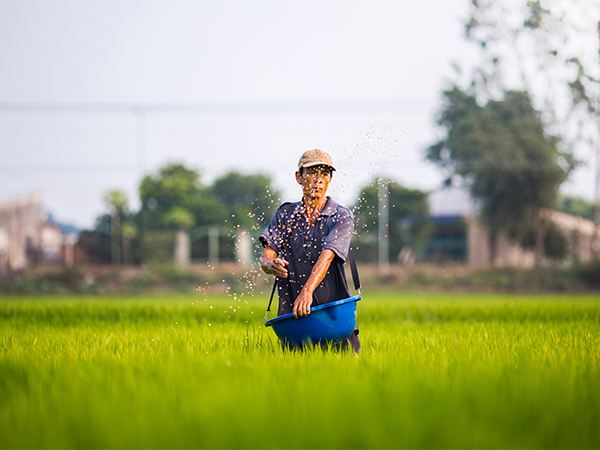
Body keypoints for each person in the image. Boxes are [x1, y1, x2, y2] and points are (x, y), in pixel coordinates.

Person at [259, 149, 360, 353]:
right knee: (298, 380)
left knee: (349, 378)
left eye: (324, 174)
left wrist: (307, 291)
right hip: (295, 319)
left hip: (335, 315)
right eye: (312, 172)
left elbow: (327, 255)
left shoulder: (340, 216)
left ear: (330, 179)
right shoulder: (285, 215)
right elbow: (266, 256)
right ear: (299, 177)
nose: (318, 180)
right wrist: (271, 265)